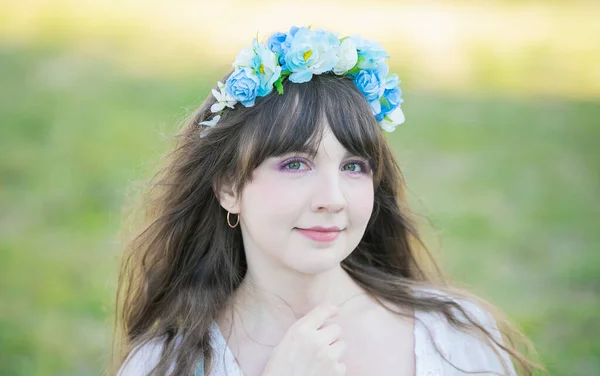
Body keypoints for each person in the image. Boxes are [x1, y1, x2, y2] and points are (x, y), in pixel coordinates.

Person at [114, 26, 544, 375]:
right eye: (296, 165)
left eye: (353, 166)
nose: (332, 199)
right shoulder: (166, 365)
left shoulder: (453, 338)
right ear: (229, 187)